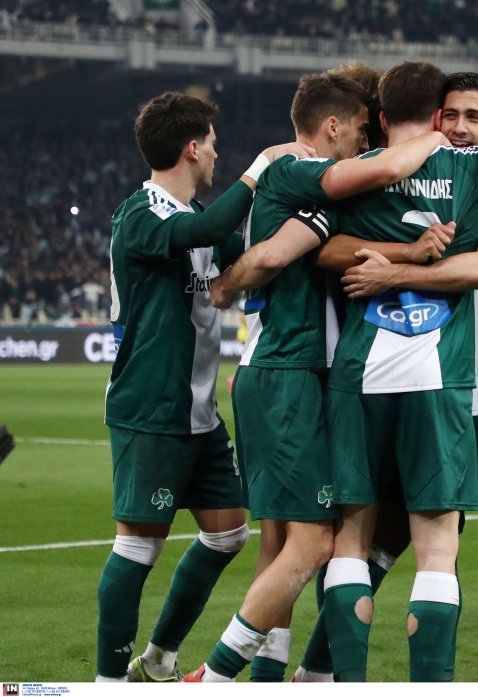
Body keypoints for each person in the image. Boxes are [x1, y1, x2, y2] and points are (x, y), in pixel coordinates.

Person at [306, 60, 478, 682]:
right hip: (430, 386)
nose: (460, 127)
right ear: (435, 117)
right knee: (383, 543)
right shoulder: (411, 170)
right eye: (451, 115)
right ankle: (318, 670)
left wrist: (394, 269)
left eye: (473, 118)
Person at [181, 72, 448, 684]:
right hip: (289, 372)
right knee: (313, 545)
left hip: (287, 371)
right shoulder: (300, 170)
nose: (363, 142)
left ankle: (274, 675)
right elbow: (275, 254)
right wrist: (435, 141)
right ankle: (213, 677)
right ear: (332, 127)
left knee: (281, 543)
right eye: (359, 130)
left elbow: (286, 253)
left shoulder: (293, 181)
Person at [98, 91, 310, 682]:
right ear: (192, 148)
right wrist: (264, 164)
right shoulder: (141, 213)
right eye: (213, 144)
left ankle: (159, 659)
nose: (218, 153)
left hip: (199, 414)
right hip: (150, 409)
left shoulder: (193, 218)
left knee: (228, 535)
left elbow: (249, 249)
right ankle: (105, 683)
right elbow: (215, 226)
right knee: (138, 547)